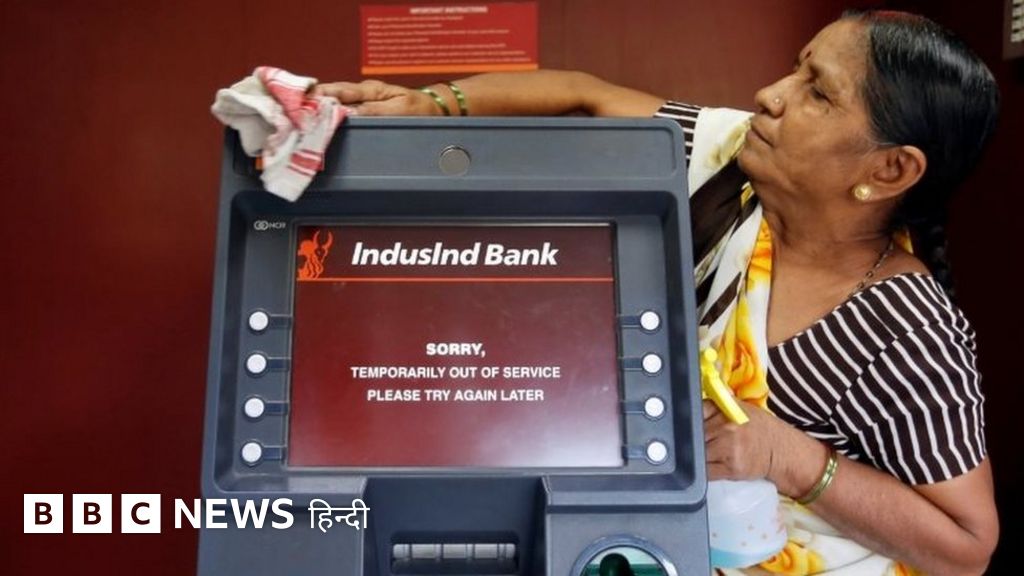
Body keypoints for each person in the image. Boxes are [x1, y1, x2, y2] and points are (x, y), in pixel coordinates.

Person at [314, 9, 1000, 575]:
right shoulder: (734, 160)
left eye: (817, 93)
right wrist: (434, 105)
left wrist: (793, 461)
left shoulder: (904, 327)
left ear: (890, 170)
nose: (772, 94)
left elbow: (968, 547)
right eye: (798, 67)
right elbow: (584, 97)